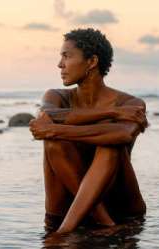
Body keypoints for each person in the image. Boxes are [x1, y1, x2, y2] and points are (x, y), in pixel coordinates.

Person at [29, 28, 148, 234]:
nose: (60, 64)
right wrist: (113, 112)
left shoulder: (130, 103)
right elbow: (48, 114)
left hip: (121, 209)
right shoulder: (57, 96)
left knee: (110, 146)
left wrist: (54, 130)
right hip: (66, 210)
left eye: (66, 56)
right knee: (54, 143)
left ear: (92, 62)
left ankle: (64, 234)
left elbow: (122, 135)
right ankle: (100, 222)